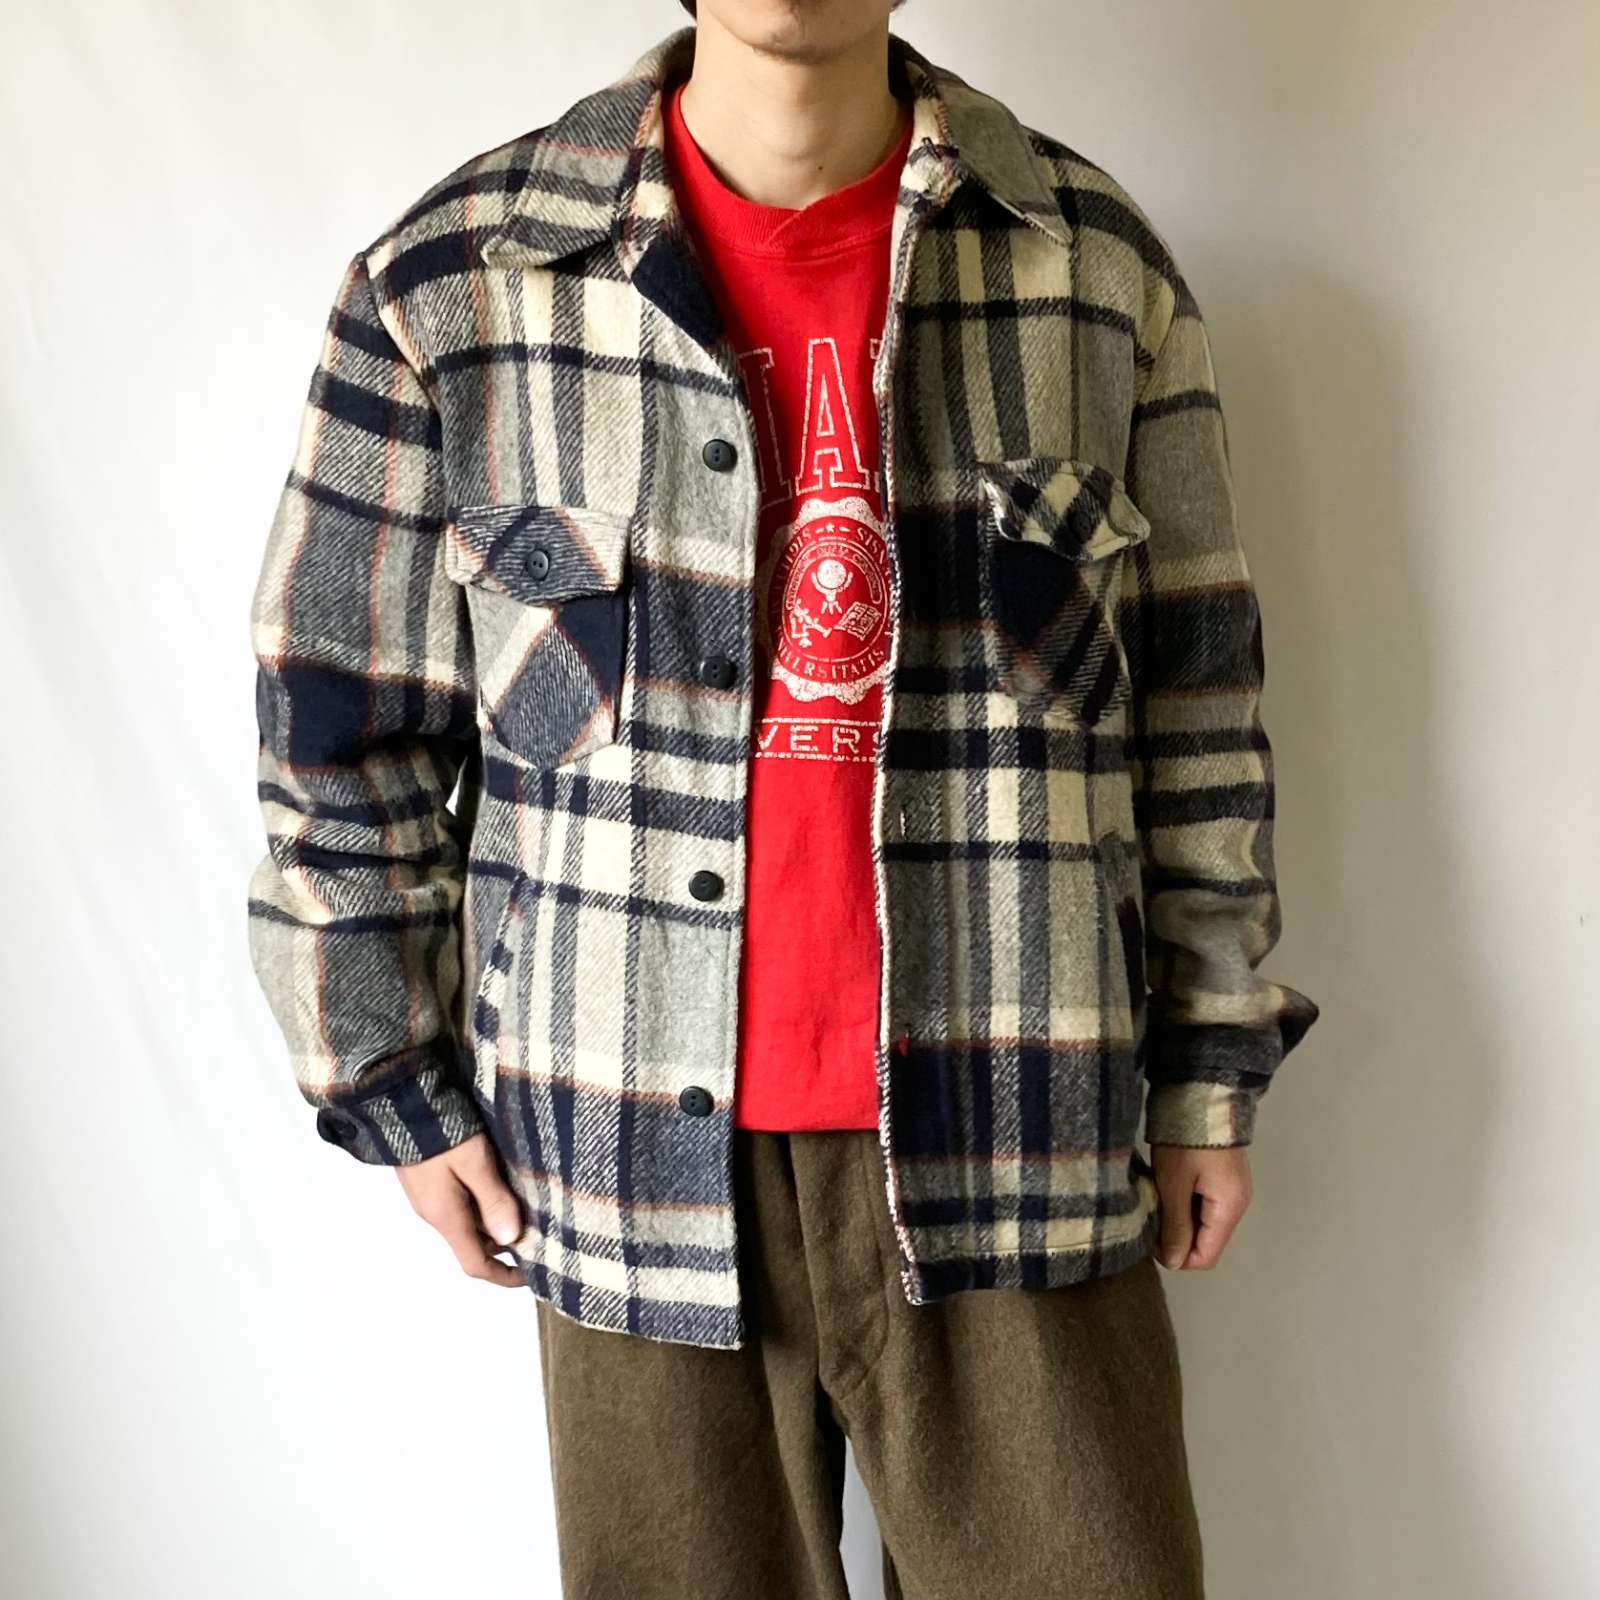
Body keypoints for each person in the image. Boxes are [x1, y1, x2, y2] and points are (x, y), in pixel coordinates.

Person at [245, 4, 1319, 1595]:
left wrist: (1208, 1066)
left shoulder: (1092, 269)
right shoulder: (452, 284)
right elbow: (340, 726)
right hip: (615, 1145)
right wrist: (392, 1078)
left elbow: (1196, 701)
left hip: (1023, 1118)